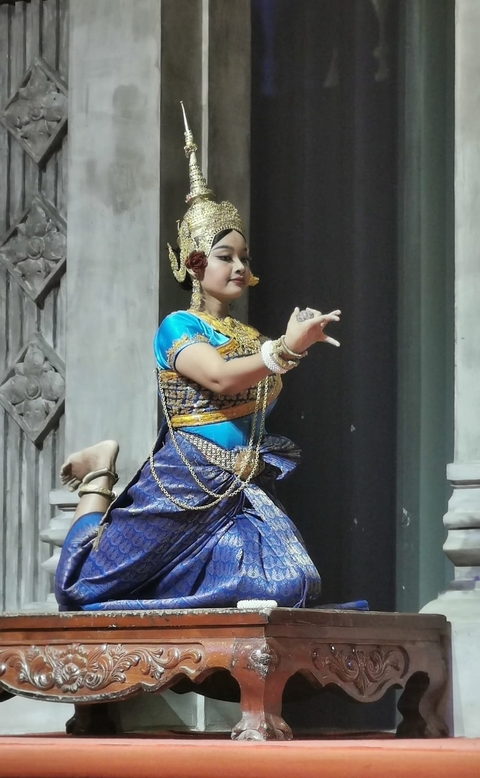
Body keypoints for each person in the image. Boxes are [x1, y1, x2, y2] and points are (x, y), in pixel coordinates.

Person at [54, 105, 342, 612]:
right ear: (193, 262)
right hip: (186, 476)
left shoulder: (249, 337)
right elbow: (219, 378)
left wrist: (283, 349)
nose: (238, 265)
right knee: (78, 588)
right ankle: (99, 474)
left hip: (237, 486)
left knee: (291, 583)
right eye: (225, 255)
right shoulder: (178, 327)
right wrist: (287, 348)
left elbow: (254, 395)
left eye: (243, 257)